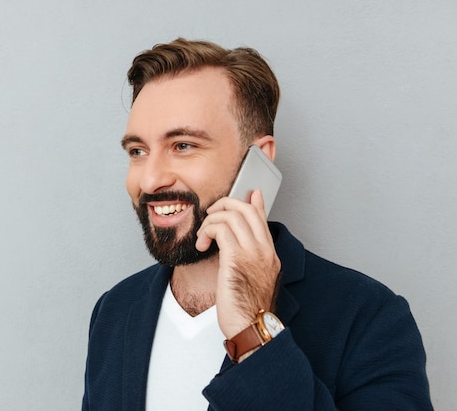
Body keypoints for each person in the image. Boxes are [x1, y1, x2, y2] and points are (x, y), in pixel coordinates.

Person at [82, 38, 432, 410]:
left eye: (183, 145)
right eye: (138, 151)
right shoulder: (115, 310)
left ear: (259, 161)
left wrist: (255, 334)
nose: (150, 181)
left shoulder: (369, 317)